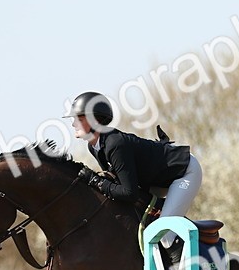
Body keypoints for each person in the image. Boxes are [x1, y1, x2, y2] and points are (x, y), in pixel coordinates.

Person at [66, 91, 201, 259]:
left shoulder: (115, 143)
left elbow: (129, 193)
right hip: (157, 180)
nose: (73, 124)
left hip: (184, 172)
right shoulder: (94, 147)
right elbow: (116, 183)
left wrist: (94, 180)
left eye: (79, 118)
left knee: (164, 233)